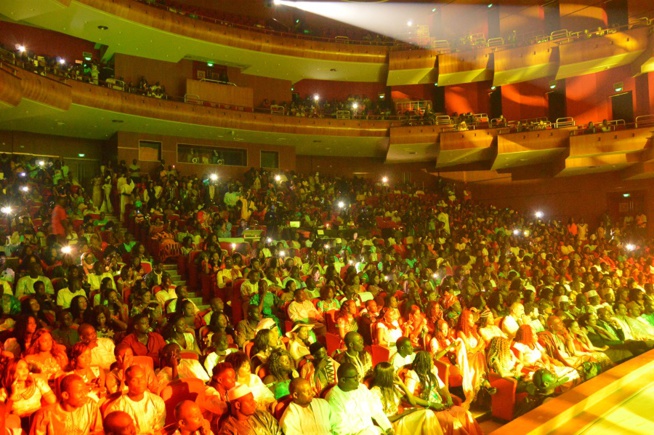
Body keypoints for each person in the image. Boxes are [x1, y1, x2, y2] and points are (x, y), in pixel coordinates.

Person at [327, 363, 394, 435]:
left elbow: (376, 410)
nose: (358, 379)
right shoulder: (334, 398)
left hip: (372, 431)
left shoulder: (362, 388)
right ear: (343, 380)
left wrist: (388, 428)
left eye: (357, 375)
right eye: (354, 377)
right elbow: (340, 429)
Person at [30, 373, 104, 435]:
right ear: (65, 395)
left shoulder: (90, 405)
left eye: (85, 391)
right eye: (80, 392)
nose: (85, 395)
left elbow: (98, 431)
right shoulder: (44, 414)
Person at [104, 365, 166, 435]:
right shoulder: (117, 407)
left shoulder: (157, 401)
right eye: (134, 380)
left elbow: (160, 428)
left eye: (142, 378)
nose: (140, 382)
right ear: (126, 383)